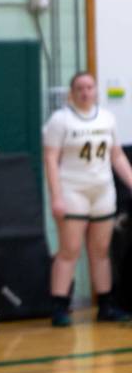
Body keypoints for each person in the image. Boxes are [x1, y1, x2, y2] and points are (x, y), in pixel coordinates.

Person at [43, 70, 132, 327]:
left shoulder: (107, 118)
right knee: (69, 250)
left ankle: (106, 305)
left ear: (96, 91)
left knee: (101, 251)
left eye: (90, 87)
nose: (85, 92)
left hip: (102, 189)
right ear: (72, 93)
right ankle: (59, 306)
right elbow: (50, 159)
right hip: (73, 190)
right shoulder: (60, 121)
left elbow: (116, 156)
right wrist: (56, 196)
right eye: (80, 88)